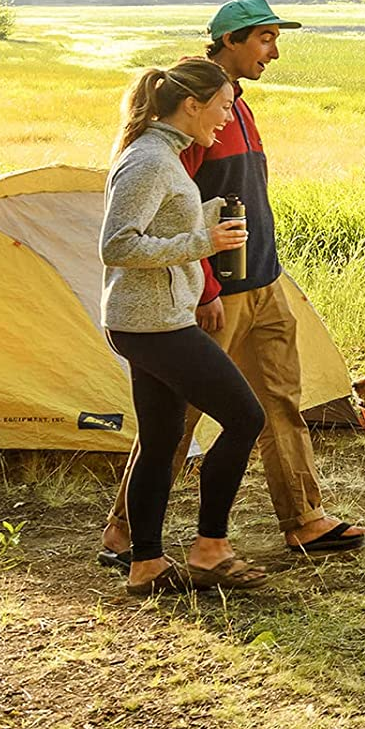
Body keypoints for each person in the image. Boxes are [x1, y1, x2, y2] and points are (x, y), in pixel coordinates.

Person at [100, 0, 365, 563]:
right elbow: (175, 212)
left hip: (265, 278)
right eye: (265, 39)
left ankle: (304, 519)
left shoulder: (234, 106)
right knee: (180, 415)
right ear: (230, 40)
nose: (274, 52)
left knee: (280, 400)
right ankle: (125, 532)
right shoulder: (192, 112)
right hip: (218, 290)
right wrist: (206, 287)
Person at [101, 59, 268, 595]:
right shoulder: (150, 159)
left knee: (160, 440)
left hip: (155, 318)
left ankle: (146, 564)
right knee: (245, 418)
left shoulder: (163, 153)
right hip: (153, 322)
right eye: (222, 107)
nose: (227, 117)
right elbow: (117, 244)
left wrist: (211, 213)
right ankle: (210, 547)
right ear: (192, 105)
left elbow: (162, 220)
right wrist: (202, 243)